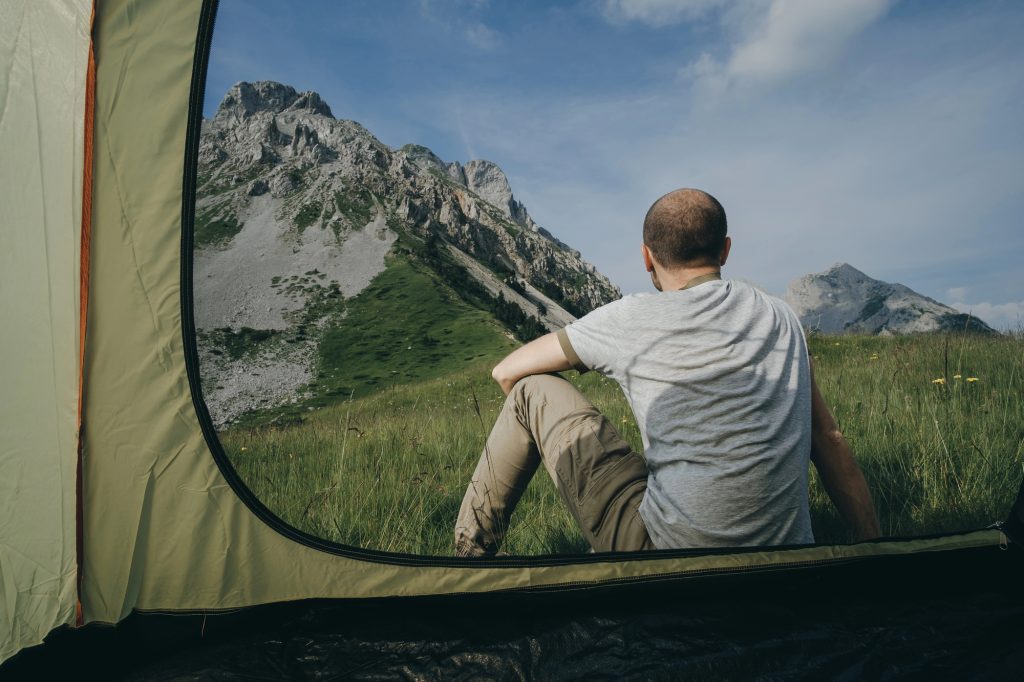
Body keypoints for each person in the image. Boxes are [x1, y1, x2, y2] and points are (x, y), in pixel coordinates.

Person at [454, 188, 880, 556]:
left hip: (667, 562)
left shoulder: (629, 318)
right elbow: (827, 437)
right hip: (785, 562)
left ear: (647, 257)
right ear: (725, 250)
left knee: (530, 390)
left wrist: (560, 455)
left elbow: (506, 372)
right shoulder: (781, 316)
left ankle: (469, 558)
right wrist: (872, 546)